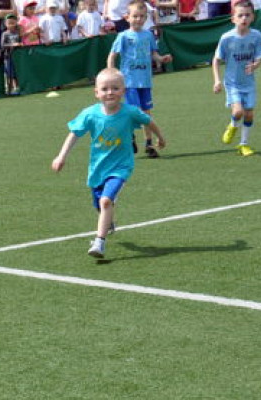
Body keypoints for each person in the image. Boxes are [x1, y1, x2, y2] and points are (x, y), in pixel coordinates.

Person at [51, 67, 165, 260]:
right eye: (104, 89)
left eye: (115, 88)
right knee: (100, 203)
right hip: (98, 168)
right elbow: (74, 134)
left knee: (105, 201)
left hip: (121, 167)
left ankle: (99, 242)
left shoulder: (130, 112)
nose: (110, 92)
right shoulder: (90, 114)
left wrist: (160, 138)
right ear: (96, 92)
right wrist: (61, 156)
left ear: (124, 91)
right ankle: (108, 222)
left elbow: (148, 121)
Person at [106, 0, 171, 157]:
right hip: (129, 82)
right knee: (134, 112)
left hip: (145, 81)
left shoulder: (148, 35)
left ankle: (148, 144)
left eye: (142, 16)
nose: (138, 19)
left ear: (146, 17)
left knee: (146, 113)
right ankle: (131, 137)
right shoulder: (123, 36)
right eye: (135, 16)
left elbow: (153, 53)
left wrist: (161, 59)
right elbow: (112, 55)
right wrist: (111, 73)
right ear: (127, 17)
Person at [212, 0, 261, 157]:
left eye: (247, 15)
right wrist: (217, 80)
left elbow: (260, 56)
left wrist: (254, 66)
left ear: (253, 17)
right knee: (239, 111)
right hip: (233, 83)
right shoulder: (227, 38)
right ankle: (233, 125)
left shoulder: (256, 36)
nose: (244, 19)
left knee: (249, 114)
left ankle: (243, 144)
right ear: (233, 18)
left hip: (249, 83)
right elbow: (216, 59)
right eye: (240, 15)